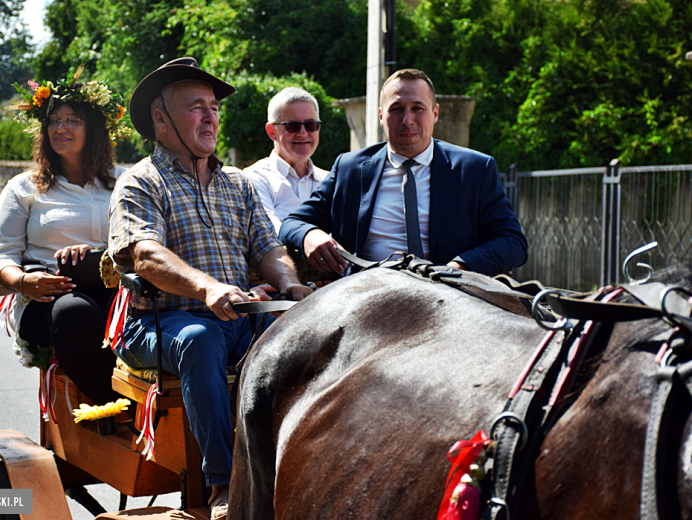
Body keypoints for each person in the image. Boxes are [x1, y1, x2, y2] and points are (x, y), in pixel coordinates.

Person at [109, 57, 312, 520]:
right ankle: (224, 483)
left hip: (235, 317)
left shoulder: (237, 183)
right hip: (157, 324)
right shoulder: (141, 181)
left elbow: (268, 247)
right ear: (160, 120)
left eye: (214, 107)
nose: (210, 116)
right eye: (196, 107)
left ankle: (290, 466)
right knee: (199, 340)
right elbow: (146, 255)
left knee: (299, 336)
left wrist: (291, 286)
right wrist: (207, 288)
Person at [280, 68, 528, 277]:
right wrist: (309, 235)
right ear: (380, 116)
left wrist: (458, 267)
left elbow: (513, 242)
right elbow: (292, 223)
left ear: (435, 114)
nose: (407, 120)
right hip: (365, 297)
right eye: (396, 109)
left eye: (418, 108)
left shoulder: (474, 169)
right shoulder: (350, 169)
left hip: (450, 298)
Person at [0, 73, 130, 405]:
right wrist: (24, 281)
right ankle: (110, 408)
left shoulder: (123, 181)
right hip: (48, 298)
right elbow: (0, 257)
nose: (59, 128)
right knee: (73, 314)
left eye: (71, 120)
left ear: (93, 129)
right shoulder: (25, 187)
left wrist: (99, 255)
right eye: (53, 120)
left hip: (116, 292)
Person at [243, 87, 328, 233]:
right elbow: (271, 237)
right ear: (272, 131)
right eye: (292, 126)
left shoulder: (329, 180)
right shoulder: (253, 179)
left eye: (310, 125)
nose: (303, 133)